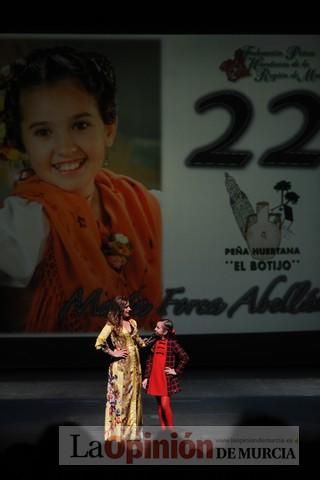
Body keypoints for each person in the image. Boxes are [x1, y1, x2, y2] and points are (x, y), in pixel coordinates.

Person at [0, 46, 162, 332]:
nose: (65, 147)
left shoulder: (140, 202)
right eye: (43, 132)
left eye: (80, 125)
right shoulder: (26, 220)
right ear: (23, 143)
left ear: (108, 129)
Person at [95, 296, 146, 441]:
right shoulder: (113, 324)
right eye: (126, 307)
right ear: (119, 309)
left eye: (129, 306)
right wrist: (112, 352)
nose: (130, 309)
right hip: (121, 368)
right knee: (120, 399)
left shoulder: (132, 322)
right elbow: (99, 342)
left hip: (135, 366)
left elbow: (139, 341)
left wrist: (153, 341)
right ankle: (118, 434)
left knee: (134, 397)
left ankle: (132, 433)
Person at [142, 319, 189, 429]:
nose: (155, 329)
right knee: (159, 405)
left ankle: (171, 429)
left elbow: (184, 357)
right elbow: (149, 361)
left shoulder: (172, 344)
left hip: (165, 379)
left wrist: (176, 371)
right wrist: (146, 377)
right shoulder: (154, 342)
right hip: (155, 377)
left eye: (158, 327)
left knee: (165, 405)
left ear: (165, 331)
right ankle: (163, 429)